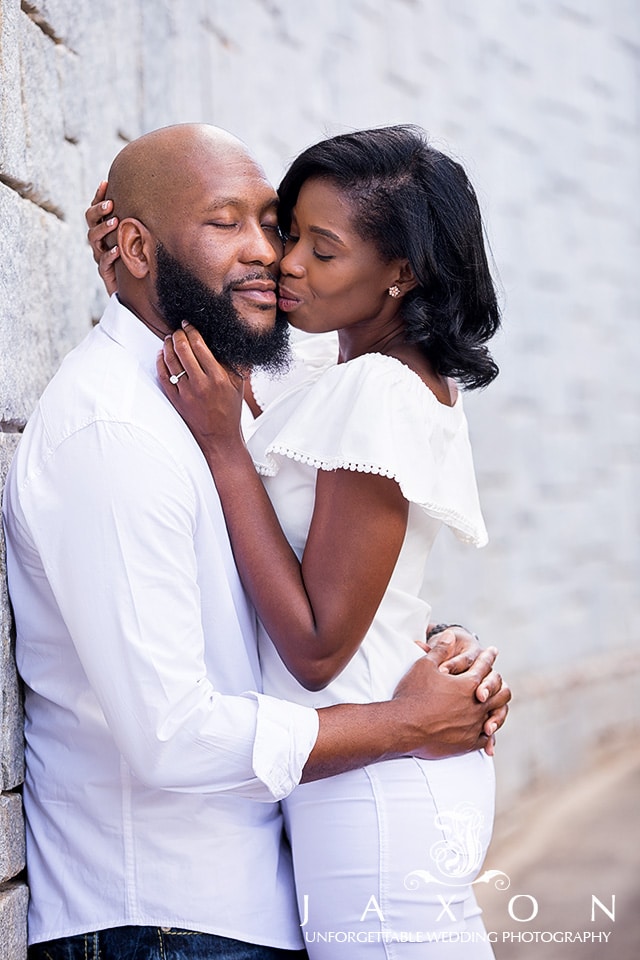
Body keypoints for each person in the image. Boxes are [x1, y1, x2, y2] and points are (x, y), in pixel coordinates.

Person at [3, 124, 510, 960]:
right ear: (130, 243)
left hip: (256, 888)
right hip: (169, 914)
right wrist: (405, 720)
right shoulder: (115, 431)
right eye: (224, 222)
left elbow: (325, 563)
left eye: (273, 225)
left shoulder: (230, 393)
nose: (271, 256)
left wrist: (431, 653)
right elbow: (174, 733)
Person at [152, 125, 503, 957]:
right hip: (385, 766)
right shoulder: (362, 379)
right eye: (289, 233)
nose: (287, 264)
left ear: (400, 275)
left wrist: (225, 449)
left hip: (379, 792)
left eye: (324, 248)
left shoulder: (377, 391)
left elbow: (317, 648)